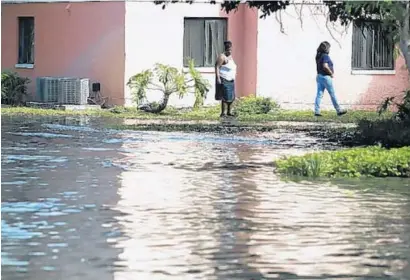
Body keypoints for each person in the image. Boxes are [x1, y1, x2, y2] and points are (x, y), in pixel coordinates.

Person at [315, 41, 347, 116]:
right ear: (326, 48)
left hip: (319, 76)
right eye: (329, 48)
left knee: (319, 94)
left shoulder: (318, 56)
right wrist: (331, 73)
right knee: (332, 94)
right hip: (326, 77)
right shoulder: (325, 56)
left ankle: (317, 111)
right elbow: (325, 66)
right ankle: (338, 110)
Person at [215, 40, 237, 117]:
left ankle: (229, 111)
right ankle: (223, 113)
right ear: (226, 49)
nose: (230, 51)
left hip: (231, 79)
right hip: (224, 78)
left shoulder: (230, 57)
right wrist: (218, 78)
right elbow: (217, 67)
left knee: (231, 97)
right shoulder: (222, 57)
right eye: (228, 50)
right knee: (225, 97)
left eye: (231, 50)